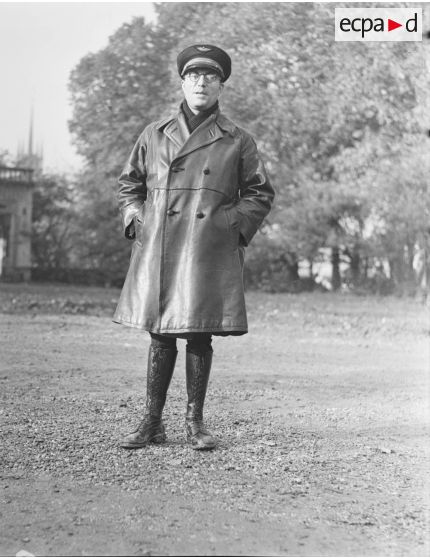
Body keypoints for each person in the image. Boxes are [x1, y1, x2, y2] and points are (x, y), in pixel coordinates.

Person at [113, 44, 275, 450]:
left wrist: (228, 227)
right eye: (194, 76)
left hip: (206, 246)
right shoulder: (154, 133)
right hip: (161, 245)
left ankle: (194, 424)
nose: (202, 83)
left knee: (199, 333)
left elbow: (259, 192)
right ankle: (151, 423)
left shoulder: (237, 139)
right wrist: (138, 219)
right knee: (161, 332)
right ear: (183, 82)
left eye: (211, 77)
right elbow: (129, 184)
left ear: (221, 85)